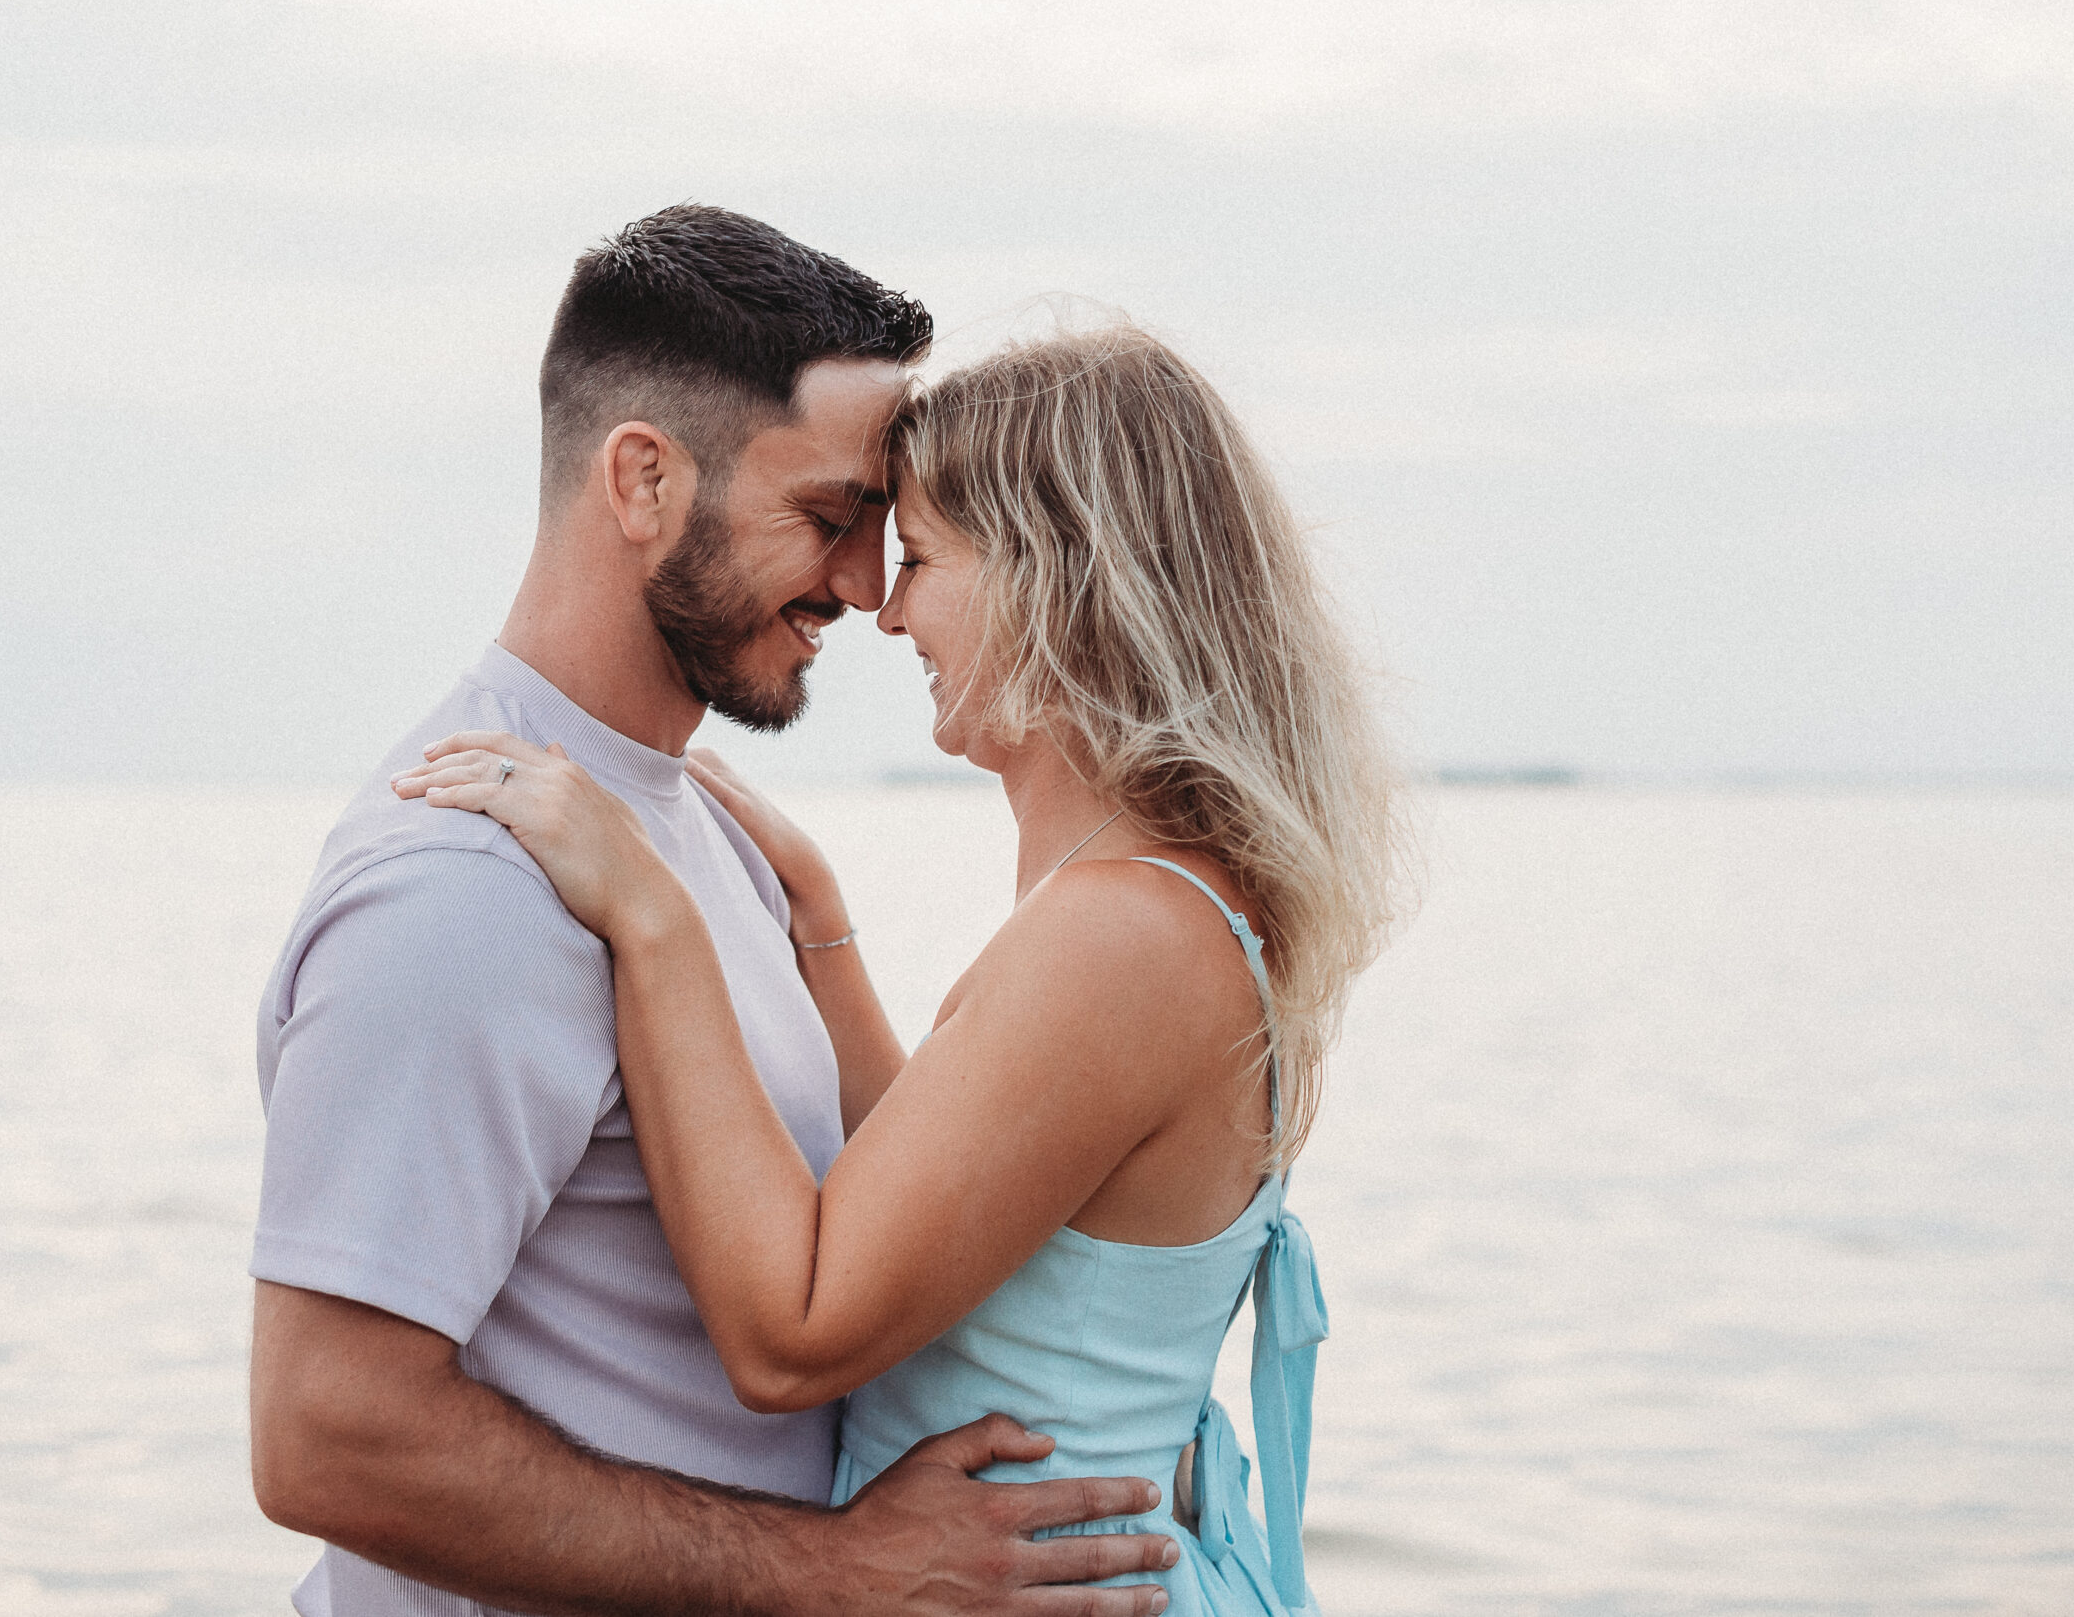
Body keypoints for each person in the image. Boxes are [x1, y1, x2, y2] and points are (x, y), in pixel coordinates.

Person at [246, 208, 1183, 1617]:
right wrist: (840, 1571)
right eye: (829, 518)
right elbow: (328, 1434)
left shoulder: (696, 830)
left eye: (884, 533)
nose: (868, 589)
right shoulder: (463, 886)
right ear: (642, 480)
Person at [392, 323, 1405, 1615]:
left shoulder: (1122, 934)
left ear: (1058, 581)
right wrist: (816, 915)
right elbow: (938, 1198)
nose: (884, 605)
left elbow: (793, 1327)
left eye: (922, 558)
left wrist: (653, 920)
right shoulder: (1160, 902)